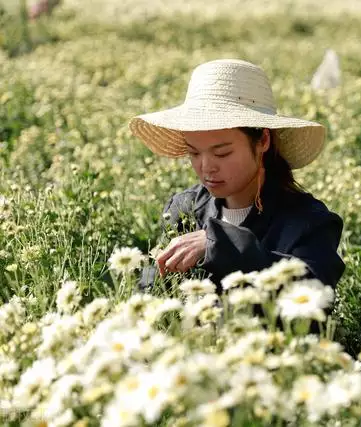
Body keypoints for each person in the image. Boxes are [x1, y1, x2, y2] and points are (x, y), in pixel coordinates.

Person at [129, 59, 345, 293]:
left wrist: (221, 244)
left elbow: (315, 295)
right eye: (193, 152)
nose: (206, 167)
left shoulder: (308, 221)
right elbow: (151, 293)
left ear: (263, 140)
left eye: (222, 153)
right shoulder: (185, 210)